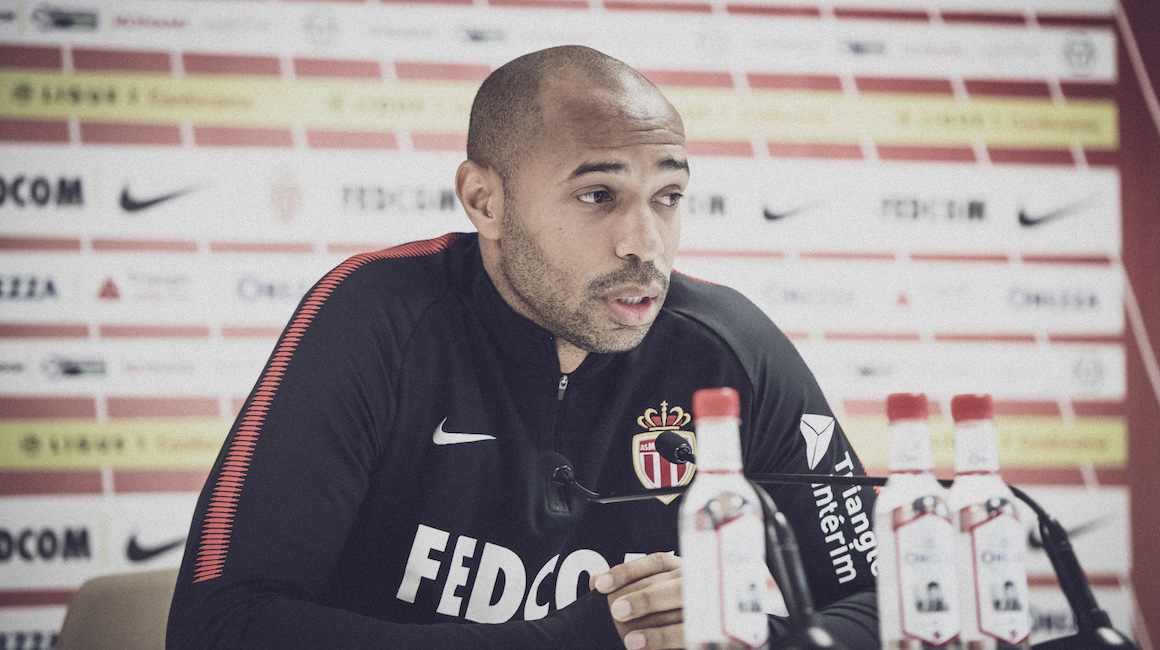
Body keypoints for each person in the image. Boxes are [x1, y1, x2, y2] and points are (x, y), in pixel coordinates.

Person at [167, 45, 879, 649]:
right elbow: (219, 627)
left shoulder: (730, 349)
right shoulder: (376, 316)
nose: (645, 245)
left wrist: (747, 634)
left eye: (668, 195)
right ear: (486, 201)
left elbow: (890, 598)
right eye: (598, 195)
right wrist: (568, 642)